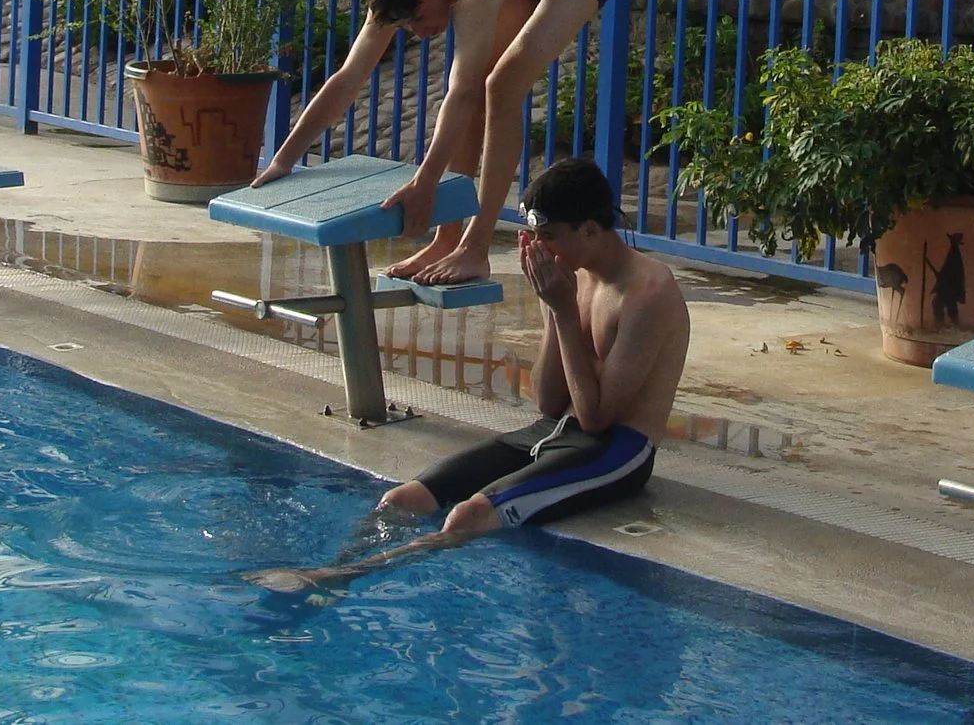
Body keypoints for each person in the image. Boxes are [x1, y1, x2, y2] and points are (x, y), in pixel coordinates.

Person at [247, 157, 688, 592]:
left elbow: (597, 419)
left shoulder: (648, 293)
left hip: (618, 450)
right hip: (553, 429)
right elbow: (549, 402)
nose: (538, 250)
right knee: (403, 499)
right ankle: (332, 564)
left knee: (469, 516)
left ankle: (340, 580)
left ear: (590, 229)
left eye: (548, 237)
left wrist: (564, 313)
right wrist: (556, 313)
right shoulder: (566, 274)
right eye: (533, 237)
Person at [253, 0, 614, 285]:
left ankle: (476, 249)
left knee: (501, 85)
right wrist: (283, 159)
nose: (420, 32)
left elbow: (460, 92)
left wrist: (425, 182)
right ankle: (447, 239)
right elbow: (347, 78)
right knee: (477, 92)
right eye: (407, 25)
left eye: (421, 17)